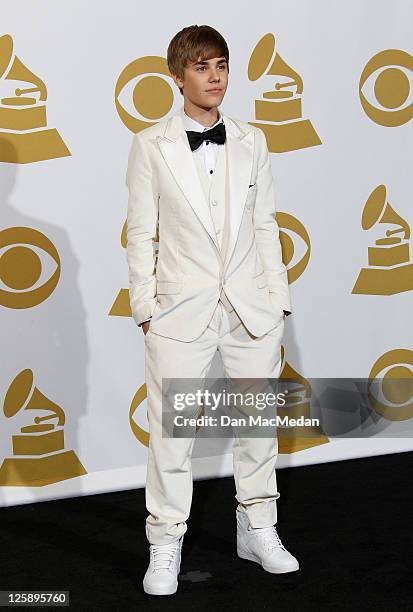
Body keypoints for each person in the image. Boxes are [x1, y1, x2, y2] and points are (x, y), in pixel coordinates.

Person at [125, 24, 299, 596]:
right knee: (172, 438)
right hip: (180, 313)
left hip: (251, 309)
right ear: (177, 78)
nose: (215, 76)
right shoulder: (152, 145)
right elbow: (141, 234)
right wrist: (147, 308)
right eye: (202, 67)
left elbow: (266, 224)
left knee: (257, 427)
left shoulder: (254, 139)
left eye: (221, 65)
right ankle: (165, 543)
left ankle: (258, 528)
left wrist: (278, 300)